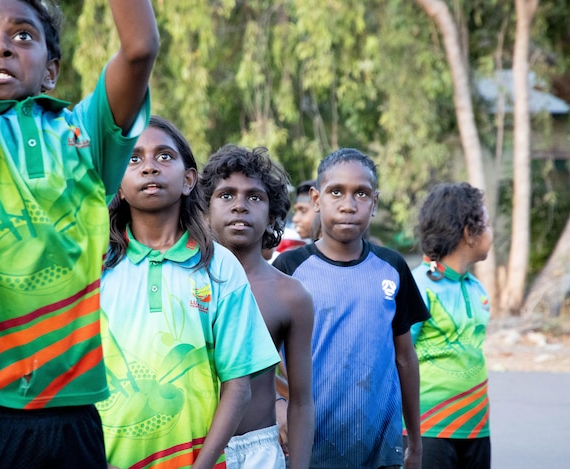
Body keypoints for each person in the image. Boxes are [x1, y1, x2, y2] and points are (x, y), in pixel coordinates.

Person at [0, 0, 158, 465]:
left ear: (51, 70)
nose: (0, 45)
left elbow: (140, 48)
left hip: (70, 411)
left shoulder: (86, 136)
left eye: (23, 36)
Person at [97, 118, 281, 469]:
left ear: (188, 180)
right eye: (133, 159)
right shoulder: (96, 263)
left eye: (164, 156)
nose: (149, 166)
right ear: (118, 185)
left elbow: (238, 386)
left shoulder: (219, 265)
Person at [273, 148, 429, 468]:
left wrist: (414, 438)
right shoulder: (289, 268)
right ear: (316, 199)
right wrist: (277, 404)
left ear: (375, 202)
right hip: (310, 448)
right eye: (336, 192)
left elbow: (404, 357)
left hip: (381, 449)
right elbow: (262, 355)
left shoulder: (392, 267)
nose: (348, 204)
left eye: (361, 193)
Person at [200, 144, 315, 469]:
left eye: (254, 197)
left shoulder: (291, 295)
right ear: (204, 210)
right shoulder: (183, 282)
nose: (240, 206)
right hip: (193, 446)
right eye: (226, 195)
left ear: (273, 216)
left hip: (259, 452)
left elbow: (303, 400)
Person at [407, 183, 493, 469]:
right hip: (430, 427)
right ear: (469, 233)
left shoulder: (476, 287)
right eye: (488, 225)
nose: (492, 233)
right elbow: (399, 358)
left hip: (477, 424)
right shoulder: (419, 285)